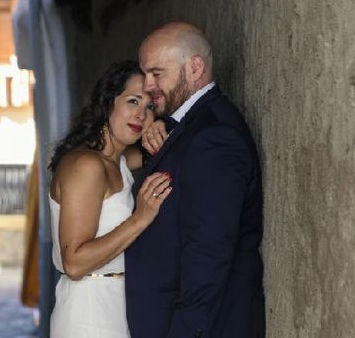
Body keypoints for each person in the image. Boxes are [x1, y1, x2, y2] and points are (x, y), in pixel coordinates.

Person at [125, 22, 265, 338]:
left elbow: (209, 251)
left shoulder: (215, 136)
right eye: (145, 73)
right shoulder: (190, 127)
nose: (147, 85)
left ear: (195, 68)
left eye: (157, 74)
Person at [48, 60, 172, 338]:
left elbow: (166, 151)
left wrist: (162, 127)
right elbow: (75, 263)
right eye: (133, 101)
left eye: (150, 106)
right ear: (108, 103)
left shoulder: (117, 161)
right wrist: (140, 219)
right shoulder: (86, 166)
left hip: (114, 306)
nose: (141, 114)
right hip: (89, 313)